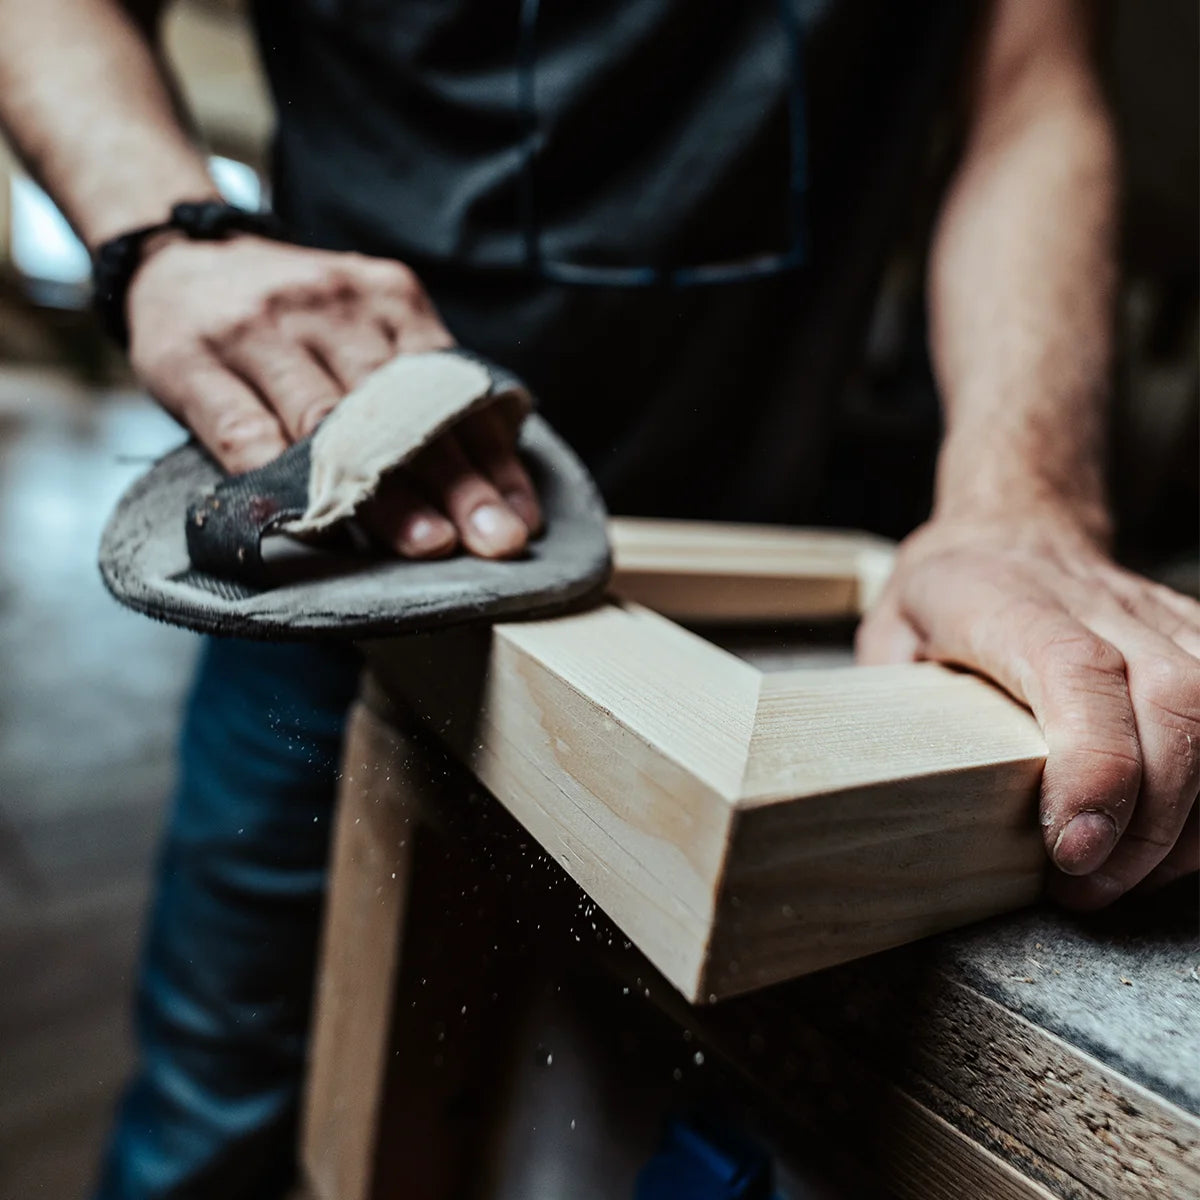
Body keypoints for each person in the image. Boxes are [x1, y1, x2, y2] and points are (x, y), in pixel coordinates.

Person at [1, 0, 1196, 1196]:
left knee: (610, 1120)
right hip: (325, 552)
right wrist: (174, 229)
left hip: (738, 566)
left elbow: (1029, 95)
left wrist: (1021, 498)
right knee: (210, 1116)